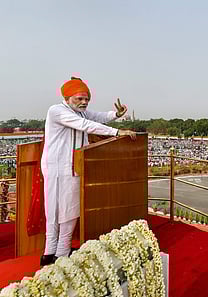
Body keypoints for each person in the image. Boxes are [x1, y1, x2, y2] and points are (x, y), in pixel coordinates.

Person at [40, 77, 136, 266]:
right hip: (57, 168)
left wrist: (115, 115)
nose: (84, 103)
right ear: (67, 97)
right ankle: (50, 252)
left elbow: (98, 117)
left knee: (69, 208)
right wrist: (117, 132)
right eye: (79, 99)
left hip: (74, 167)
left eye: (86, 99)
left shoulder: (80, 112)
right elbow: (85, 125)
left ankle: (60, 252)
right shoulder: (57, 111)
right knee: (55, 210)